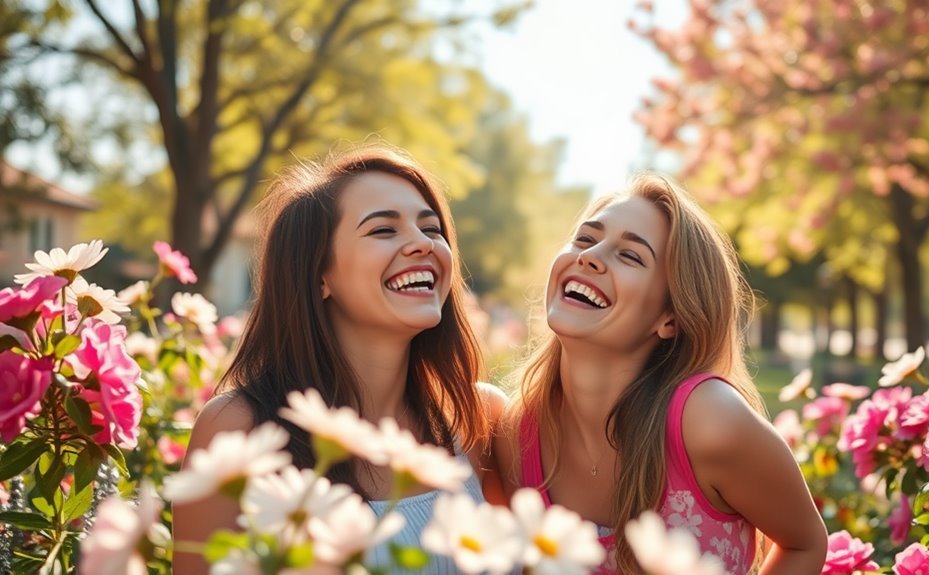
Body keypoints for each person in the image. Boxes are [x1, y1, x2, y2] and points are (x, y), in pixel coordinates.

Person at [173, 144, 506, 573]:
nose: (422, 244)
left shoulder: (479, 420)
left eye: (432, 228)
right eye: (384, 230)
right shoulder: (237, 428)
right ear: (319, 275)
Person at [497, 174, 827, 574]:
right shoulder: (516, 436)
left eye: (631, 255)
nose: (590, 255)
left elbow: (805, 543)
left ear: (669, 318)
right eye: (585, 239)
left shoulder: (709, 420)